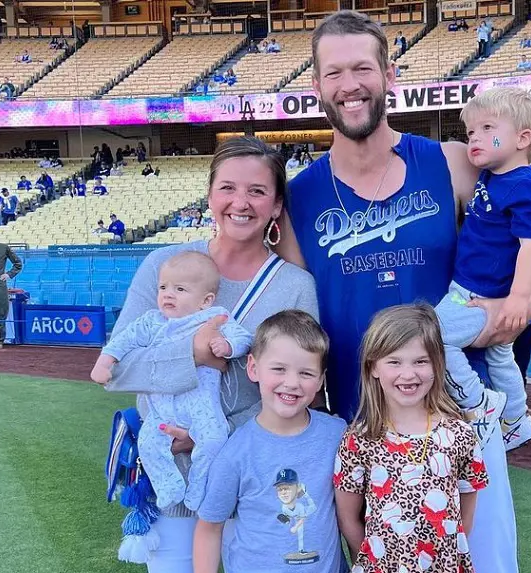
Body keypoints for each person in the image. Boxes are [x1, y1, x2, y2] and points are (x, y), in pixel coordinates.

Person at [279, 11, 529, 573]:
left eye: (363, 67)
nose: (350, 85)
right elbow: (300, 324)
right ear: (316, 85)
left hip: (458, 417)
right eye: (334, 72)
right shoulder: (300, 197)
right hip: (360, 422)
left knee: (480, 559)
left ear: (389, 74)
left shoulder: (450, 163)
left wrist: (517, 305)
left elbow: (530, 224)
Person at [102, 136, 319, 571]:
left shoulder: (294, 285)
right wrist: (194, 355)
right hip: (174, 475)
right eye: (228, 188)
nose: (241, 202)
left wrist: (214, 436)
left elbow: (298, 388)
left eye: (257, 191)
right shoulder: (165, 265)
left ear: (277, 206)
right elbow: (117, 368)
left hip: (255, 480)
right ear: (209, 195)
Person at [429, 87, 531, 450]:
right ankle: (516, 418)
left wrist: (518, 300)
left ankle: (478, 401)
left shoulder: (528, 185)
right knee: (501, 355)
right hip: (473, 288)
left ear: (522, 138)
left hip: (481, 296)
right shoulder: (495, 176)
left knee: (431, 337)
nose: (474, 139)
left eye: (486, 128)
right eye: (470, 133)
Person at [93, 251, 253, 512]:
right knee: (147, 444)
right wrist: (105, 360)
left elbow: (243, 338)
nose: (168, 294)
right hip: (161, 408)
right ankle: (168, 486)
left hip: (200, 404)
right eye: (163, 287)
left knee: (214, 438)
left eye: (180, 289)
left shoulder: (213, 318)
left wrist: (227, 345)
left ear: (206, 300)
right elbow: (123, 340)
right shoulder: (152, 321)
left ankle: (199, 483)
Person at [334, 304, 487, 573]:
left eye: (420, 361)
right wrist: (372, 563)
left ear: (437, 365)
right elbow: (348, 518)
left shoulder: (460, 434)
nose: (408, 374)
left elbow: (465, 517)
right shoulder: (358, 439)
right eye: (394, 361)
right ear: (374, 368)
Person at [193, 310, 345, 572]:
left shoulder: (338, 435)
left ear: (321, 380)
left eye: (306, 373)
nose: (292, 383)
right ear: (253, 368)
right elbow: (209, 527)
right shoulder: (236, 453)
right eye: (279, 369)